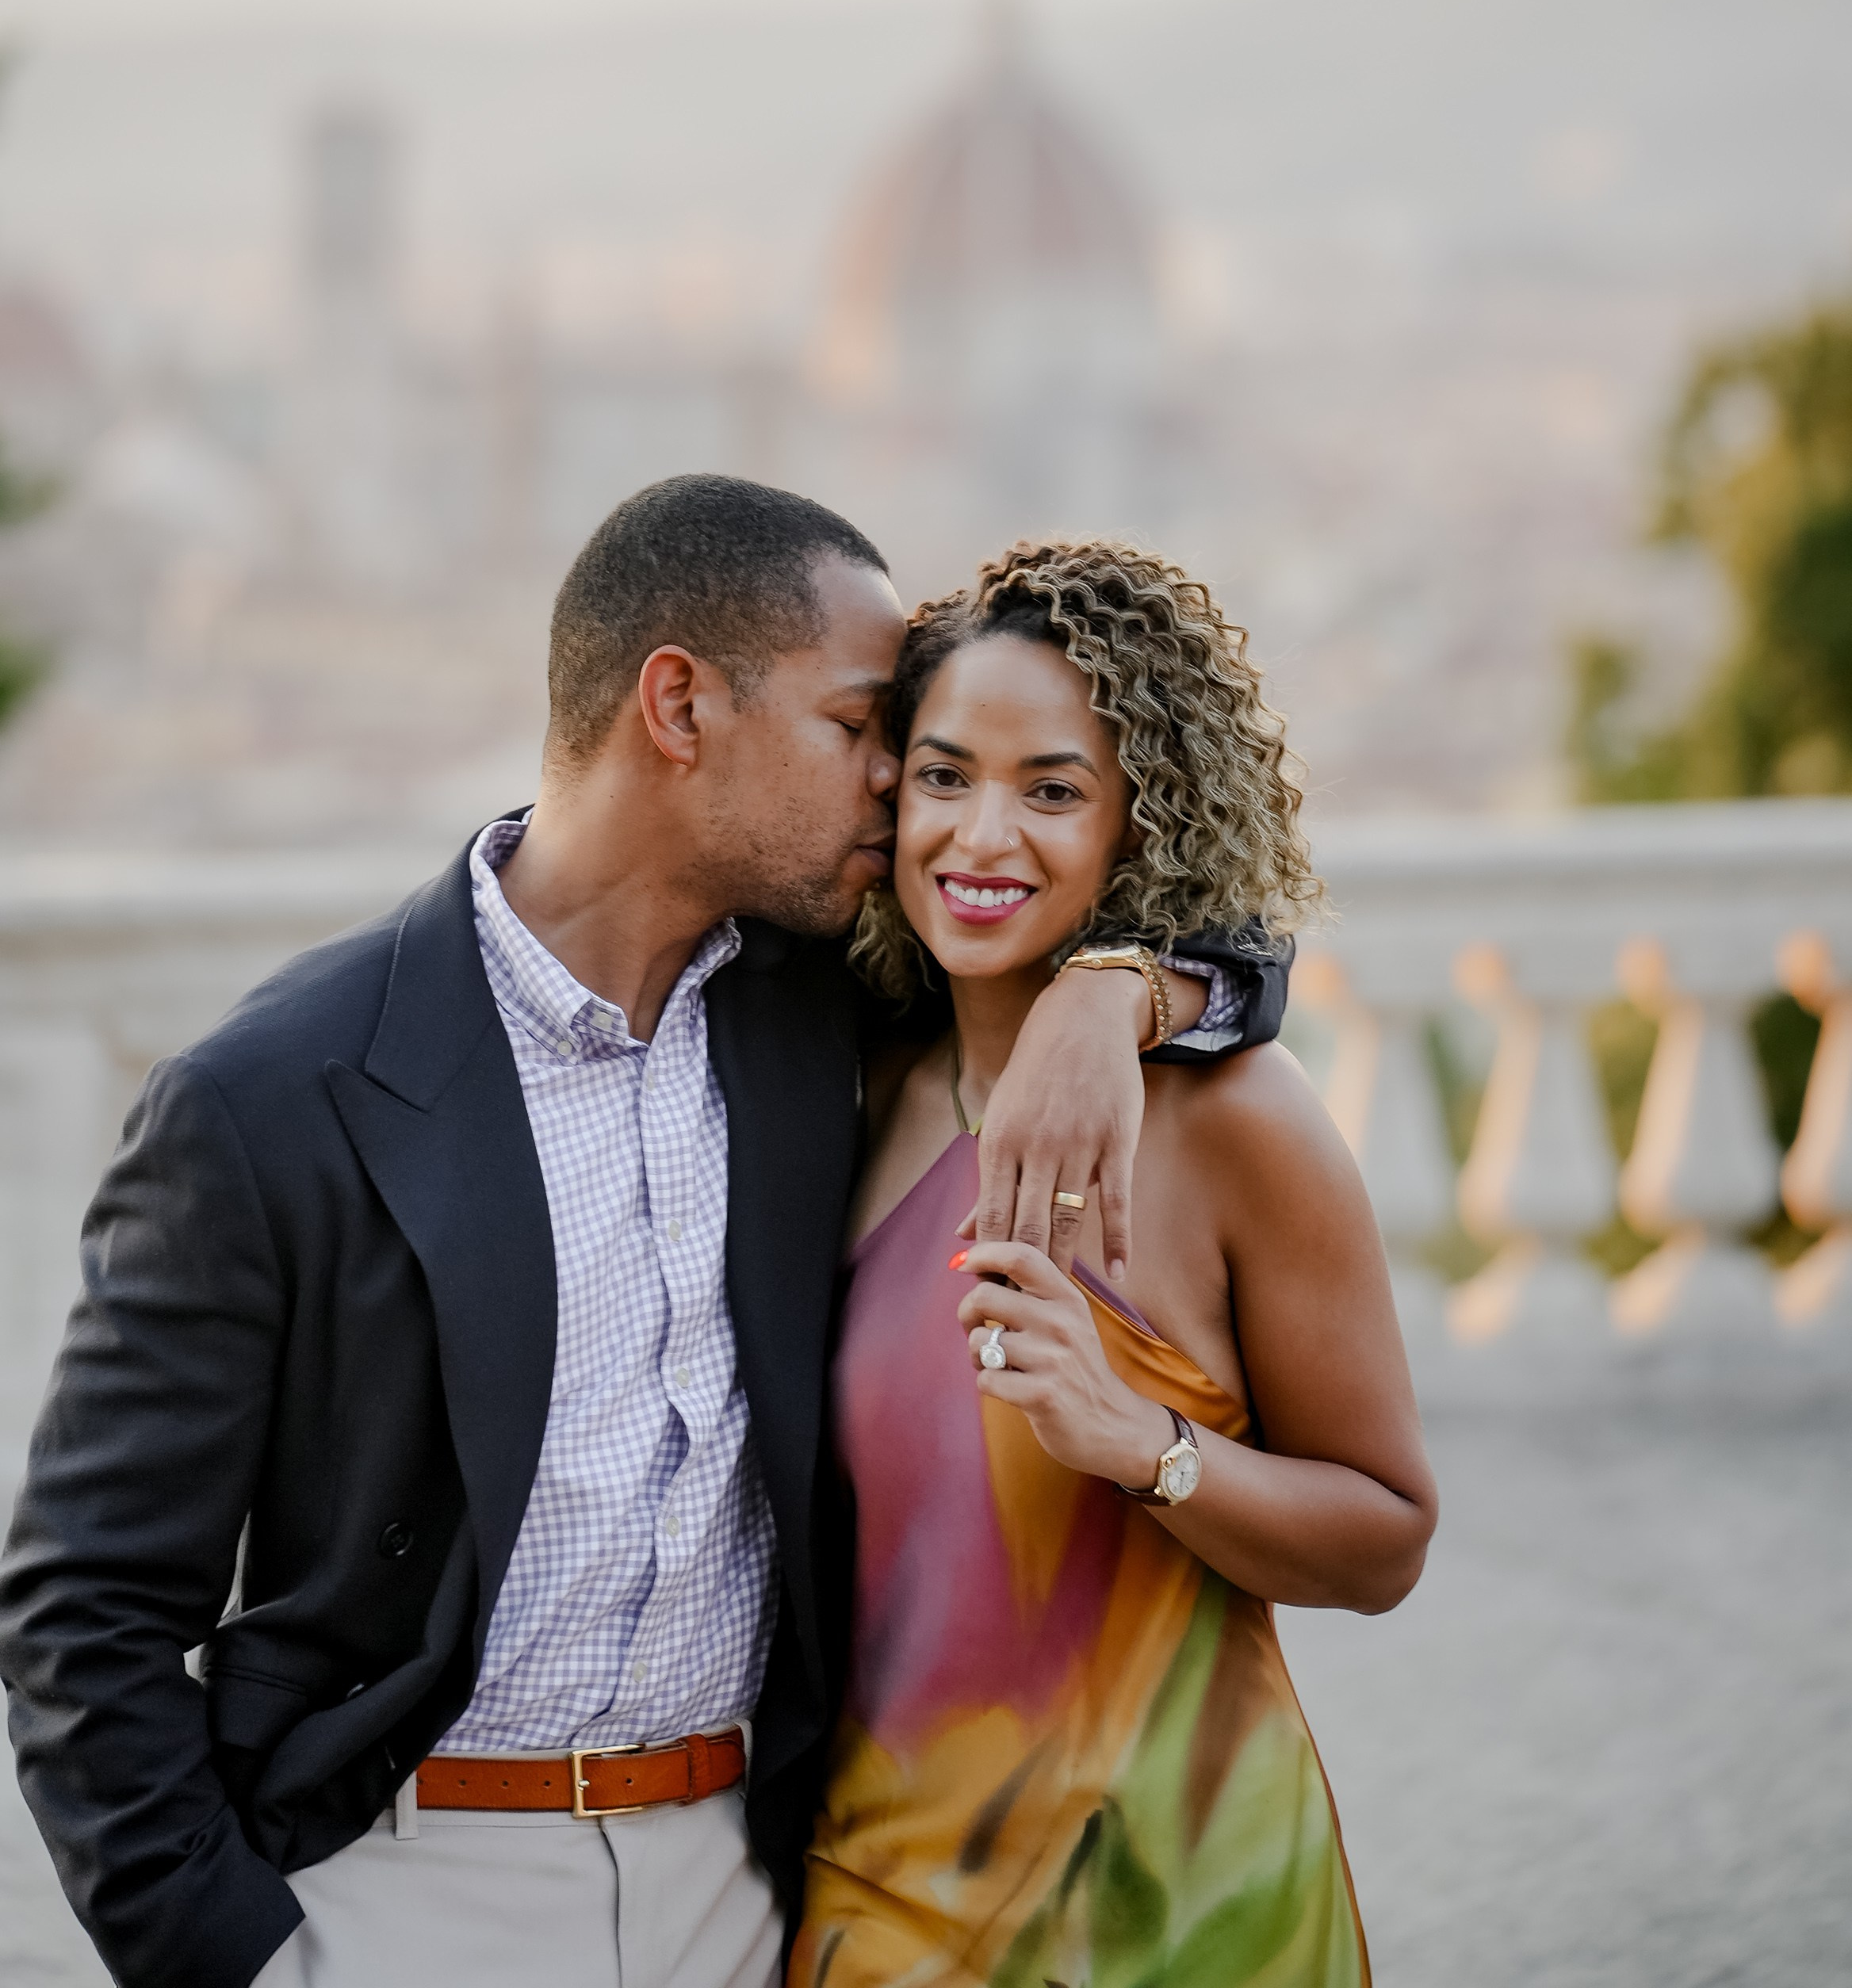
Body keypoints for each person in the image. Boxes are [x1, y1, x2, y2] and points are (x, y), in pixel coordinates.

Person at [0, 477, 1287, 1988]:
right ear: (677, 706)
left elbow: (1245, 949)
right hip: (407, 1893)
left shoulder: (816, 1014)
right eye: (860, 726)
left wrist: (1117, 991)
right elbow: (84, 1617)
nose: (900, 785)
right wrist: (249, 1968)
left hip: (752, 1888)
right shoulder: (272, 1099)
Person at [792, 537, 1439, 1988]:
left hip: (1191, 1911)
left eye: (1054, 791)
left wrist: (1148, 1447)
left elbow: (1388, 1534)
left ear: (1139, 826)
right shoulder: (838, 1097)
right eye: (946, 776)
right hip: (875, 1910)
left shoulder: (1239, 1129)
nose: (982, 838)